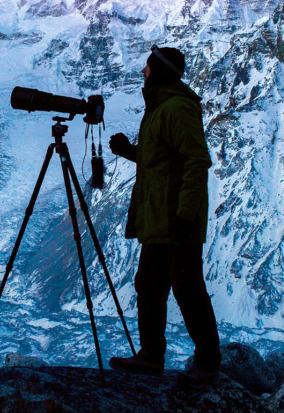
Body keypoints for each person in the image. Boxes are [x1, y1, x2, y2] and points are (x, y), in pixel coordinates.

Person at [107, 45, 221, 388]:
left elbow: (196, 161)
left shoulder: (177, 108)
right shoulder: (160, 107)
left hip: (176, 219)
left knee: (188, 289)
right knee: (149, 286)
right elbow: (161, 159)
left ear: (158, 71)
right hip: (159, 218)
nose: (143, 71)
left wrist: (185, 214)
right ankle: (151, 356)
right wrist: (130, 152)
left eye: (147, 66)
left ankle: (207, 363)